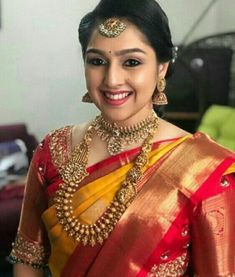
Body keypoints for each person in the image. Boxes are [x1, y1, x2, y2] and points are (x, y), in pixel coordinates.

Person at [9, 0, 235, 276]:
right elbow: (27, 258)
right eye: (97, 61)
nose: (112, 79)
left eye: (131, 62)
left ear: (161, 68)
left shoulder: (204, 169)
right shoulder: (52, 150)